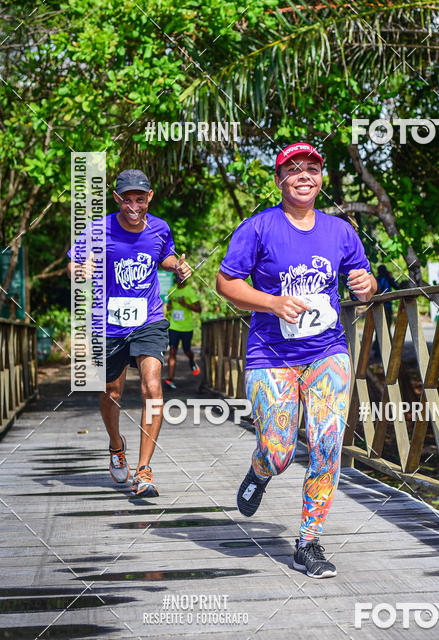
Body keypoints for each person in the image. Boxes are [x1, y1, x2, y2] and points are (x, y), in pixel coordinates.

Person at [216, 142, 377, 578]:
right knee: (279, 451)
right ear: (279, 179)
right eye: (294, 169)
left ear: (321, 178)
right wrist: (271, 303)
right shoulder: (258, 228)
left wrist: (365, 285)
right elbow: (226, 283)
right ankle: (259, 470)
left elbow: (364, 280)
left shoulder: (340, 230)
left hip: (327, 351)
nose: (304, 175)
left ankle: (309, 542)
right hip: (270, 355)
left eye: (312, 168)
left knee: (327, 445)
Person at [67, 169, 191, 497]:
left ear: (149, 197)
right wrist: (81, 270)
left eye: (140, 198)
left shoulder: (160, 228)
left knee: (153, 388)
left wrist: (178, 267)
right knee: (112, 391)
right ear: (116, 198)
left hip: (148, 318)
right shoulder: (97, 229)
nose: (133, 205)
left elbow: (164, 256)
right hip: (108, 324)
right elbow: (73, 265)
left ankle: (144, 469)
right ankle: (115, 444)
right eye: (127, 199)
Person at [164, 280, 202, 390]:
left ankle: (191, 361)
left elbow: (198, 309)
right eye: (178, 277)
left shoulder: (190, 291)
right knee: (172, 351)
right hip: (173, 327)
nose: (180, 280)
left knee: (187, 351)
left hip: (186, 327)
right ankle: (170, 379)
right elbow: (169, 304)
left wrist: (185, 304)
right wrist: (170, 307)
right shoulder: (172, 290)